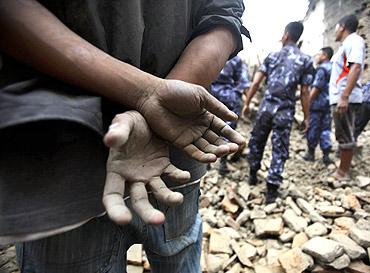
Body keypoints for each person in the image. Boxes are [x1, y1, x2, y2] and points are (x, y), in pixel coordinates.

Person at [0, 0, 249, 272]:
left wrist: (148, 97)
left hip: (70, 157)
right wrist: (150, 99)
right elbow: (223, 16)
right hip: (151, 152)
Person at [242, 21, 314, 204]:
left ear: (287, 35)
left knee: (257, 140)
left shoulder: (272, 56)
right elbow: (305, 91)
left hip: (266, 107)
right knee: (279, 148)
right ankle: (272, 190)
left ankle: (252, 173)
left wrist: (247, 103)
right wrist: (307, 117)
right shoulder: (305, 60)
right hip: (285, 111)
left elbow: (256, 82)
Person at [329, 14, 366, 181]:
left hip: (345, 98)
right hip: (342, 97)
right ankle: (342, 169)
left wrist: (344, 97)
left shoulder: (355, 41)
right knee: (342, 133)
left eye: (336, 27)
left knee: (346, 134)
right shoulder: (346, 45)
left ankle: (343, 173)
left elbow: (356, 67)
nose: (335, 31)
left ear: (342, 26)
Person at [210, 55, 250, 175]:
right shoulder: (236, 60)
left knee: (209, 125)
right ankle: (222, 163)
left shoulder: (212, 55)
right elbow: (243, 82)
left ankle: (207, 163)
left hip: (211, 96)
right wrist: (237, 95)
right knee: (228, 129)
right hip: (229, 98)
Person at [303, 47, 334, 165]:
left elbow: (316, 88)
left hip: (317, 105)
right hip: (327, 104)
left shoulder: (322, 69)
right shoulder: (332, 67)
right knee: (326, 129)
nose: (316, 56)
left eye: (319, 54)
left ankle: (310, 154)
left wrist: (307, 104)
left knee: (313, 128)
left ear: (325, 56)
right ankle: (326, 155)